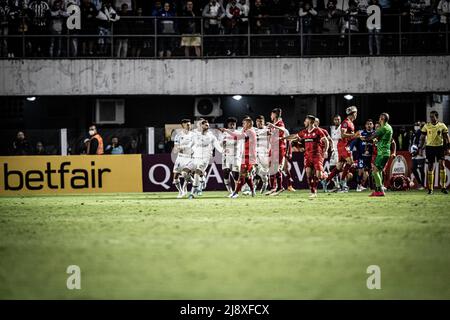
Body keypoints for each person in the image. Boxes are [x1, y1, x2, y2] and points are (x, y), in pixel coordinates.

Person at [284, 115, 329, 198]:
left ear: (310, 121)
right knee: (308, 174)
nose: (304, 122)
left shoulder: (318, 131)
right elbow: (295, 136)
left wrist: (325, 151)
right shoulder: (304, 132)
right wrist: (284, 138)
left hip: (317, 155)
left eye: (306, 120)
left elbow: (326, 141)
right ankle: (313, 191)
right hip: (307, 156)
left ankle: (324, 175)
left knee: (318, 175)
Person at [323, 106, 360, 192]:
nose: (356, 115)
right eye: (356, 113)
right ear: (353, 114)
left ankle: (326, 181)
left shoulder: (351, 123)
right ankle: (343, 182)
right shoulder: (345, 123)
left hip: (343, 145)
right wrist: (354, 135)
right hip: (343, 145)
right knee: (350, 162)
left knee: (339, 167)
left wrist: (357, 136)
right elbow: (343, 135)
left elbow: (350, 136)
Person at [220, 117, 257, 198]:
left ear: (249, 124)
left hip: (248, 156)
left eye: (244, 123)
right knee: (246, 176)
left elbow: (238, 137)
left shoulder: (249, 131)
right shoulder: (247, 131)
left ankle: (236, 192)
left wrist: (226, 130)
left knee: (242, 174)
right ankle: (252, 189)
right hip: (244, 156)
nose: (242, 125)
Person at [360, 113, 395, 197]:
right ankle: (377, 190)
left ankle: (380, 190)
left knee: (375, 171)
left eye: (380, 118)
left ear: (382, 119)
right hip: (384, 152)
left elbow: (371, 137)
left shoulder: (383, 128)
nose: (379, 119)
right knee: (378, 171)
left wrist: (363, 138)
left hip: (382, 153)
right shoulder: (389, 127)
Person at [188, 119, 223, 199]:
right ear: (201, 126)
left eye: (207, 125)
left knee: (197, 173)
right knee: (188, 173)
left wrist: (224, 151)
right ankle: (202, 180)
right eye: (205, 124)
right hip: (195, 158)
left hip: (205, 159)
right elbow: (190, 144)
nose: (207, 126)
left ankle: (192, 193)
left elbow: (218, 147)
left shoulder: (211, 136)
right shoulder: (195, 135)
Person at [418, 110, 449, 195]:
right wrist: (420, 147)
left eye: (432, 117)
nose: (431, 118)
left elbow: (446, 137)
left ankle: (443, 187)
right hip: (430, 148)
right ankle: (430, 189)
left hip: (440, 148)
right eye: (430, 117)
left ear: (436, 117)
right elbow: (422, 137)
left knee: (442, 165)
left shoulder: (442, 125)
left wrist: (448, 148)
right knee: (430, 166)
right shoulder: (426, 126)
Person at [265, 107, 287, 196]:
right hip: (273, 147)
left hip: (279, 148)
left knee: (276, 168)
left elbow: (283, 130)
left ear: (275, 115)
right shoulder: (274, 124)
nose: (271, 116)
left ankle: (280, 187)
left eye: (271, 114)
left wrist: (273, 126)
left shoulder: (280, 123)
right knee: (270, 168)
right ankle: (272, 188)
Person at [172, 119, 194, 198]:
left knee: (186, 173)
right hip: (180, 157)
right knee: (175, 177)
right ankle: (181, 192)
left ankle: (196, 184)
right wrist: (182, 148)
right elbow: (176, 148)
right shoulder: (178, 135)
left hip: (190, 157)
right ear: (182, 125)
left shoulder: (193, 135)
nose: (189, 126)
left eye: (189, 124)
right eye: (187, 124)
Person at [351, 119, 375, 192]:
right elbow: (354, 141)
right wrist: (350, 148)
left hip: (370, 157)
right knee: (360, 170)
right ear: (365, 125)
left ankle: (368, 186)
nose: (369, 125)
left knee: (369, 173)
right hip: (361, 156)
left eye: (370, 124)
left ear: (373, 125)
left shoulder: (375, 133)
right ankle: (358, 186)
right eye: (367, 124)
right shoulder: (361, 133)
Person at [220, 117, 241, 195]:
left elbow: (238, 143)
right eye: (230, 124)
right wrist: (223, 143)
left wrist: (228, 144)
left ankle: (236, 191)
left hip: (235, 156)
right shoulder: (223, 133)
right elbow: (220, 144)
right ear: (228, 125)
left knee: (236, 175)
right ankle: (230, 192)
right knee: (226, 173)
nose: (232, 125)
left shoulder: (238, 133)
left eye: (233, 124)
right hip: (226, 156)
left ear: (235, 125)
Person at [254, 115, 271, 193]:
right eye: (257, 121)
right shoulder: (254, 130)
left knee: (262, 172)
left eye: (261, 121)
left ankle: (265, 181)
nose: (259, 123)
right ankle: (253, 187)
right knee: (255, 169)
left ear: (263, 122)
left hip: (265, 154)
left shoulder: (268, 130)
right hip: (256, 153)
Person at [409, 121, 426, 190]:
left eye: (418, 125)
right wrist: (411, 150)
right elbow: (412, 142)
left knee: (421, 169)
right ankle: (419, 183)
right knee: (413, 168)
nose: (416, 126)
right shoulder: (414, 133)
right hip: (414, 153)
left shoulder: (423, 132)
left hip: (420, 153)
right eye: (415, 125)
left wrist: (420, 149)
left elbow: (425, 142)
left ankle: (422, 185)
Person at [328, 114, 341, 189]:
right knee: (331, 168)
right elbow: (331, 140)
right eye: (336, 119)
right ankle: (337, 185)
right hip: (334, 151)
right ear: (333, 120)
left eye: (338, 119)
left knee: (339, 168)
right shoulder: (332, 128)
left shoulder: (342, 128)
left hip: (340, 150)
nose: (337, 121)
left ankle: (343, 185)